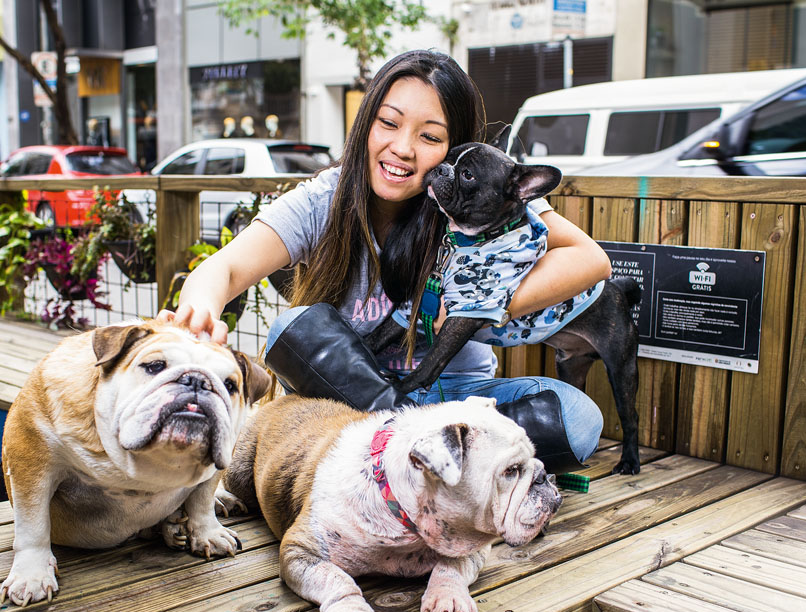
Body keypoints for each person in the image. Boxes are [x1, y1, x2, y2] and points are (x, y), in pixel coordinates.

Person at [160, 50, 611, 472]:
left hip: (459, 401)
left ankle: (400, 450)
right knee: (288, 327)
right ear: (367, 126)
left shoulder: (480, 203)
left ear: (457, 148)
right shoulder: (327, 197)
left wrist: (479, 305)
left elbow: (589, 259)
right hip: (347, 397)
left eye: (430, 136)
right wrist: (198, 314)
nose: (403, 148)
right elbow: (226, 268)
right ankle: (420, 452)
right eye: (389, 124)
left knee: (578, 418)